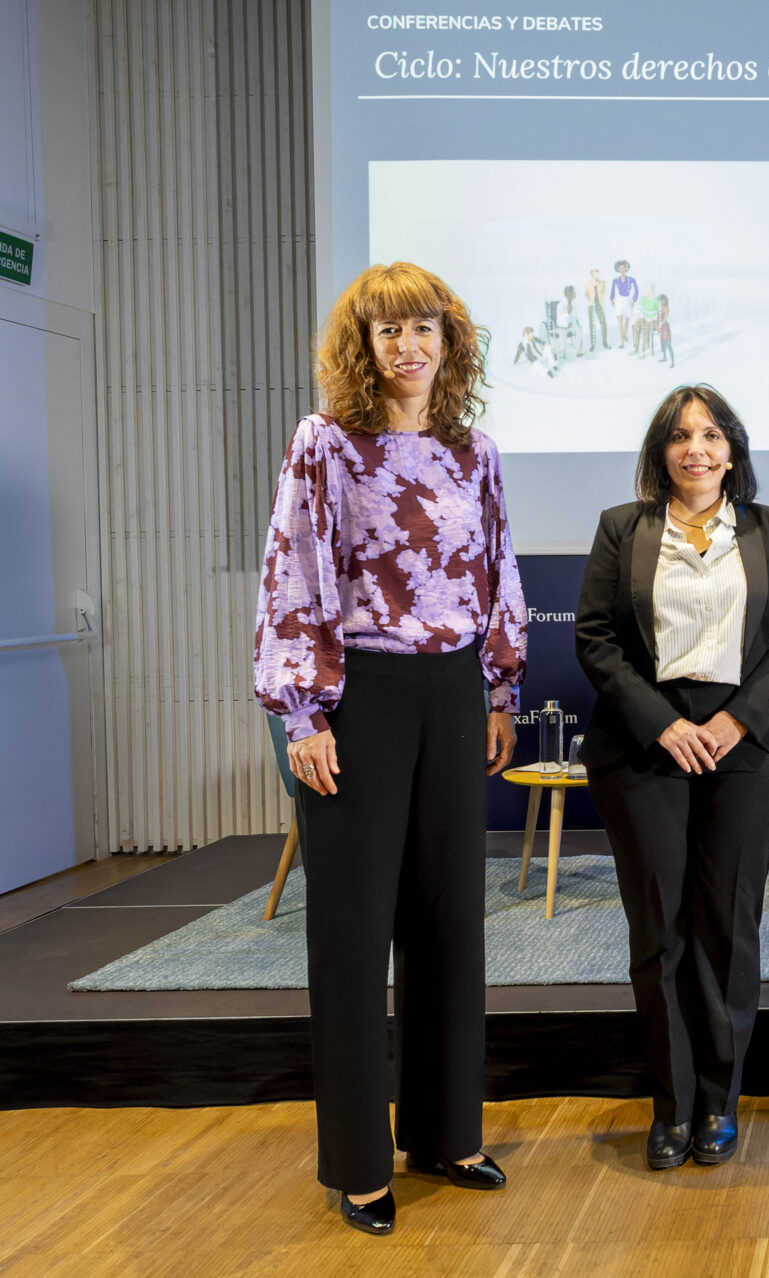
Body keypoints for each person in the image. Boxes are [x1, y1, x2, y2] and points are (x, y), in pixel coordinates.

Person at [253, 262, 527, 1236]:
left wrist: (501, 686)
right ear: (361, 348)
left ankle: (449, 1134)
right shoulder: (325, 445)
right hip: (355, 694)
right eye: (388, 332)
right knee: (355, 931)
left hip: (455, 688)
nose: (408, 346)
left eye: (425, 328)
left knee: (452, 917)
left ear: (450, 343)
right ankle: (360, 1166)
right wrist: (303, 714)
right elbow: (295, 568)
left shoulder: (475, 452)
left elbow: (497, 568)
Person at [575, 385, 769, 1172]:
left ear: (734, 450)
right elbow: (597, 639)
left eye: (712, 435)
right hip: (646, 745)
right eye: (680, 437)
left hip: (745, 745)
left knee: (725, 928)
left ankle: (719, 1100)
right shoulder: (624, 527)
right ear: (660, 452)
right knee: (660, 932)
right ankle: (671, 1106)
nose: (697, 449)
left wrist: (734, 721)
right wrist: (665, 725)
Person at [610, 260, 639, 347]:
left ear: (626, 269)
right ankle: (622, 342)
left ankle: (625, 335)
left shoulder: (631, 279)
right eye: (620, 268)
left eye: (623, 268)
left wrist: (634, 300)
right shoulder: (615, 280)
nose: (622, 270)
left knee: (627, 320)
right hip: (619, 301)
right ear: (618, 270)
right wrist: (612, 300)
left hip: (627, 300)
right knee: (620, 323)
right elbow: (612, 292)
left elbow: (636, 290)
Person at [586, 267, 610, 352]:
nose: (595, 275)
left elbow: (602, 291)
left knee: (603, 323)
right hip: (591, 305)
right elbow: (587, 293)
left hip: (599, 304)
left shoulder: (602, 283)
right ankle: (593, 345)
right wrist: (590, 300)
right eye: (593, 273)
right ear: (591, 274)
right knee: (591, 325)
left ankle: (605, 342)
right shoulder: (588, 283)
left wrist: (597, 282)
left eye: (596, 273)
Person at [655, 293, 675, 368]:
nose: (660, 301)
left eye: (662, 300)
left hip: (665, 328)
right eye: (659, 300)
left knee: (668, 345)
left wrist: (660, 325)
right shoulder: (659, 309)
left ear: (665, 300)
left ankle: (673, 361)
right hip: (660, 329)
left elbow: (665, 318)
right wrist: (656, 326)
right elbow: (656, 318)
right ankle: (664, 357)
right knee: (662, 344)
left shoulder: (667, 308)